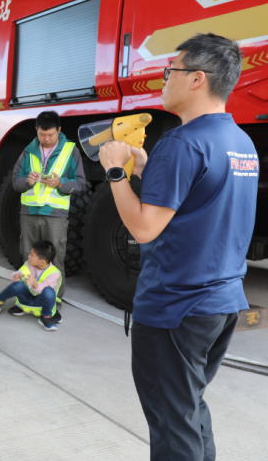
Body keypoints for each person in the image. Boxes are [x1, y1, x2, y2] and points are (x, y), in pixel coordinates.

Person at [99, 33, 257, 461]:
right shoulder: (241, 144)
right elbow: (200, 204)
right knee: (187, 409)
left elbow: (144, 229)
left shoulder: (181, 143)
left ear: (197, 79)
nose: (163, 78)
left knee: (172, 426)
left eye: (171, 71)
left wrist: (115, 172)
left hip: (176, 306)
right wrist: (148, 169)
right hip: (221, 303)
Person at [12, 110, 85, 302]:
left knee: (55, 262)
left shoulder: (71, 150)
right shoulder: (27, 151)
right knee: (29, 261)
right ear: (36, 130)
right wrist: (27, 181)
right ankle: (26, 301)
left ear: (59, 130)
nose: (46, 139)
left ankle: (52, 303)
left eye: (50, 135)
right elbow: (15, 183)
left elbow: (80, 183)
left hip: (55, 216)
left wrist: (60, 183)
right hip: (28, 213)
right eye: (42, 134)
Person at [0, 240, 62, 331]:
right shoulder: (28, 264)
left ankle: (46, 317)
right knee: (18, 285)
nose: (28, 256)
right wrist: (16, 276)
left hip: (40, 304)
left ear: (42, 262)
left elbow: (42, 291)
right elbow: (18, 273)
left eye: (32, 255)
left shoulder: (55, 273)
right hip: (25, 300)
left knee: (49, 291)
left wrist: (35, 284)